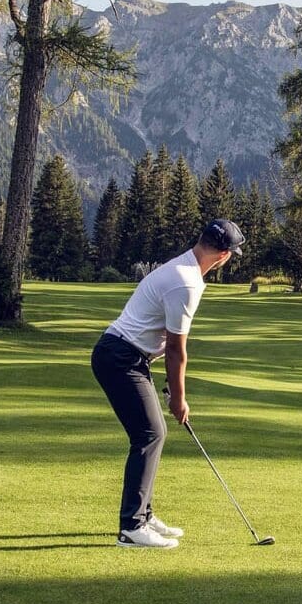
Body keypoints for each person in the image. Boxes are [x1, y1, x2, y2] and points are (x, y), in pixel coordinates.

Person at [91, 218, 246, 548]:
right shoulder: (186, 282)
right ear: (223, 256)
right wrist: (179, 398)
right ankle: (132, 526)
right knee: (150, 433)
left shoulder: (184, 269)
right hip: (120, 357)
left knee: (152, 433)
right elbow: (177, 349)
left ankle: (143, 516)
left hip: (128, 356)